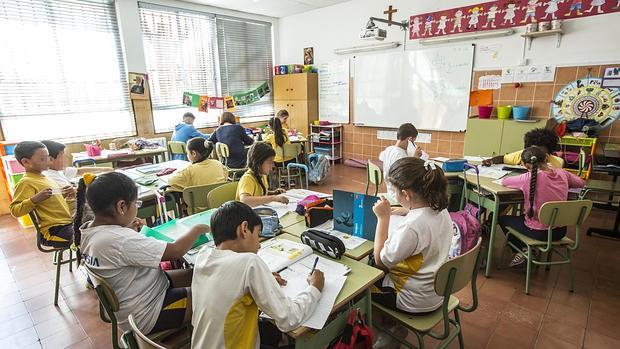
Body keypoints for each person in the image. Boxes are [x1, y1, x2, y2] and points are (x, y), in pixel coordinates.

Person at [74, 172, 209, 334]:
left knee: (197, 274)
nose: (136, 208)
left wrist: (125, 229)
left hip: (141, 294)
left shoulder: (90, 229)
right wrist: (197, 229)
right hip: (148, 312)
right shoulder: (120, 239)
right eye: (136, 204)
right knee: (212, 294)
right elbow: (176, 251)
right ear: (121, 206)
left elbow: (118, 249)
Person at [191, 201, 324, 349]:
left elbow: (228, 288)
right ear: (244, 229)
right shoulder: (249, 263)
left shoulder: (203, 256)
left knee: (269, 332)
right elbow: (289, 319)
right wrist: (315, 287)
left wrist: (260, 282)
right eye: (258, 234)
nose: (259, 244)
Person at [371, 157, 453, 314]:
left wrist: (383, 218)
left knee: (364, 278)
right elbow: (424, 217)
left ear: (406, 194)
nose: (394, 196)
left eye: (394, 192)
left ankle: (390, 328)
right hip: (436, 294)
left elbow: (380, 261)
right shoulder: (441, 209)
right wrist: (408, 210)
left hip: (410, 301)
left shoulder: (411, 227)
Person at [498, 146, 584, 267]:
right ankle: (528, 251)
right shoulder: (562, 173)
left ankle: (525, 251)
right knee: (525, 217)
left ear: (526, 165)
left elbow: (504, 181)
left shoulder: (527, 178)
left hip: (538, 232)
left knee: (502, 219)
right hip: (560, 231)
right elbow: (581, 182)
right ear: (546, 159)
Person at [9, 141, 74, 247]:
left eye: (48, 157)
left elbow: (49, 201)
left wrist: (64, 194)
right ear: (26, 162)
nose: (48, 161)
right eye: (43, 159)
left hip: (67, 223)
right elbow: (15, 210)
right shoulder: (26, 182)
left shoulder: (45, 177)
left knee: (94, 229)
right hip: (54, 230)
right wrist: (34, 199)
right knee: (87, 236)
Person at [379, 123, 428, 201]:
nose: (414, 145)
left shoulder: (390, 149)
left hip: (391, 190)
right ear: (409, 139)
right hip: (398, 194)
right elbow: (407, 175)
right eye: (413, 142)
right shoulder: (400, 154)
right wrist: (415, 158)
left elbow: (381, 156)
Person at [41, 140, 112, 188]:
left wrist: (105, 169)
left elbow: (78, 171)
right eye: (63, 155)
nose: (66, 158)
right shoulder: (51, 177)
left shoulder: (56, 170)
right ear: (50, 159)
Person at [236, 142, 288, 207]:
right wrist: (273, 198)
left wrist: (273, 192)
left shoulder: (262, 175)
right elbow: (245, 200)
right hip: (245, 215)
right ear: (258, 162)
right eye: (269, 162)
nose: (272, 166)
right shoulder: (248, 178)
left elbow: (259, 193)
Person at [483, 128, 564, 168]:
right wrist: (491, 161)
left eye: (540, 152)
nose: (534, 154)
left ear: (547, 154)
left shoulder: (554, 165)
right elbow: (503, 158)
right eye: (532, 150)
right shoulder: (523, 154)